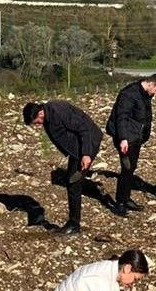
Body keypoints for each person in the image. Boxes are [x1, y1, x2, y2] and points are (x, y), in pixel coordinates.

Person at [23, 100, 104, 235]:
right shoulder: (49, 114)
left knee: (73, 182)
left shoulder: (59, 112)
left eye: (36, 122)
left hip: (87, 144)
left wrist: (86, 154)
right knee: (72, 181)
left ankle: (74, 224)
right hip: (78, 149)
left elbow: (84, 128)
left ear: (39, 113)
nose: (37, 125)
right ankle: (74, 222)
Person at [105, 74, 156, 217]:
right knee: (126, 168)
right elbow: (121, 117)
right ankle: (120, 203)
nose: (155, 94)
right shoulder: (129, 94)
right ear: (151, 84)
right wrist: (123, 138)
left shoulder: (145, 95)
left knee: (131, 168)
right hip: (125, 138)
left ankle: (126, 198)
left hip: (136, 136)